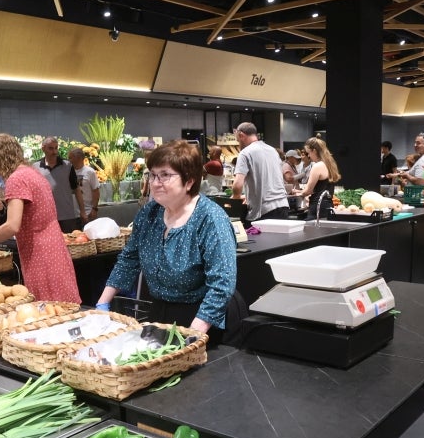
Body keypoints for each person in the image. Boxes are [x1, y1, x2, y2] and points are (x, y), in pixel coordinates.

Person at [96, 140, 237, 337]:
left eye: (165, 176)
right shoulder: (149, 213)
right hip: (160, 313)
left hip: (202, 319)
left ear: (189, 181)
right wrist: (102, 303)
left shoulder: (211, 218)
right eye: (152, 175)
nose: (155, 183)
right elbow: (129, 259)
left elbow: (222, 284)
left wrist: (193, 336)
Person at [0, 133, 80, 303]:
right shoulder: (32, 173)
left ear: (0, 158)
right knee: (64, 308)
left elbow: (13, 225)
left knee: (48, 312)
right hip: (55, 249)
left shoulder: (16, 179)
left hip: (39, 254)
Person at [230, 121, 290, 223]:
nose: (239, 144)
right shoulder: (272, 150)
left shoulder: (245, 153)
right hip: (282, 206)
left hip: (264, 211)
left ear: (241, 135)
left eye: (238, 141)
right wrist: (249, 197)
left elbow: (237, 185)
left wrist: (235, 198)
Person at [35, 135, 82, 233]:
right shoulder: (35, 167)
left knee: (70, 244)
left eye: (56, 148)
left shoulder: (67, 165)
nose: (54, 152)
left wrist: (82, 211)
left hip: (66, 215)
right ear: (43, 149)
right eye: (51, 148)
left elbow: (76, 188)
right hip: (46, 216)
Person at [294, 136, 341, 220]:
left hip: (317, 207)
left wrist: (298, 194)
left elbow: (308, 190)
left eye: (309, 153)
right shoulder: (330, 164)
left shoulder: (317, 166)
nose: (308, 156)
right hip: (328, 206)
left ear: (314, 151)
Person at [69, 146, 100, 224]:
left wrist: (94, 209)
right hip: (72, 214)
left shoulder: (90, 172)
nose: (69, 160)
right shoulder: (67, 172)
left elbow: (96, 191)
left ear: (78, 158)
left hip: (88, 212)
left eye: (70, 158)